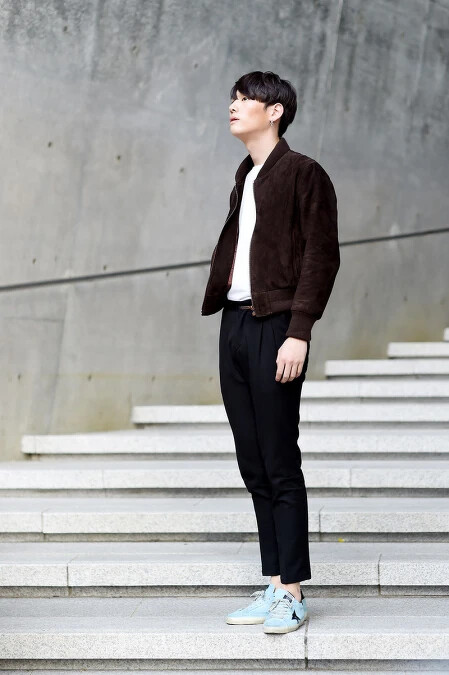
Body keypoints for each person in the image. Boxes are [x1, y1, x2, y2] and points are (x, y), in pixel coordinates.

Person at [201, 71, 340, 634]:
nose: (233, 106)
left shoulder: (305, 173)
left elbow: (321, 256)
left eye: (245, 98)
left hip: (276, 325)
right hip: (235, 324)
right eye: (232, 98)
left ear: (275, 110)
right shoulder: (246, 175)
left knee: (279, 459)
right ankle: (274, 581)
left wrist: (298, 330)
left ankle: (293, 592)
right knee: (252, 460)